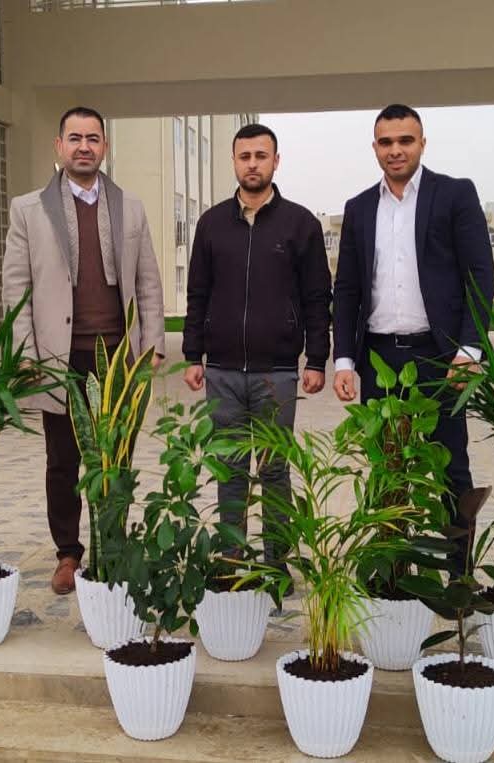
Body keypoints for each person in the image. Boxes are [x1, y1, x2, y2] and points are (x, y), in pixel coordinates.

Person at [2, 106, 165, 595]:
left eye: (93, 138)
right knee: (62, 459)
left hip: (117, 358)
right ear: (59, 146)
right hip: (58, 357)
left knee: (116, 456)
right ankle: (68, 553)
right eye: (74, 138)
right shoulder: (28, 209)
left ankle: (111, 547)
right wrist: (24, 352)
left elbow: (148, 281)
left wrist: (153, 344)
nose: (84, 147)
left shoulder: (130, 207)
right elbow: (16, 287)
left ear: (104, 147)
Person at [332, 104, 494, 546]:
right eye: (386, 142)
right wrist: (344, 360)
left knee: (450, 467)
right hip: (379, 359)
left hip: (441, 358)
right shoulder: (359, 208)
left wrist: (470, 349)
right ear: (374, 148)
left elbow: (480, 275)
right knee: (385, 468)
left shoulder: (455, 194)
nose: (396, 150)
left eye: (405, 140)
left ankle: (458, 571)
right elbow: (346, 289)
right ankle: (393, 571)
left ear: (422, 143)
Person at [182, 123, 331, 572]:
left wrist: (317, 359)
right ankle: (231, 560)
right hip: (222, 371)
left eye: (261, 156)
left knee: (274, 470)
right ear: (234, 161)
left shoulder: (301, 224)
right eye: (244, 156)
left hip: (277, 373)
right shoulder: (211, 224)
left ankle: (274, 565)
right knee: (229, 468)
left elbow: (317, 297)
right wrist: (192, 354)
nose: (252, 164)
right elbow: (197, 292)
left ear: (275, 161)